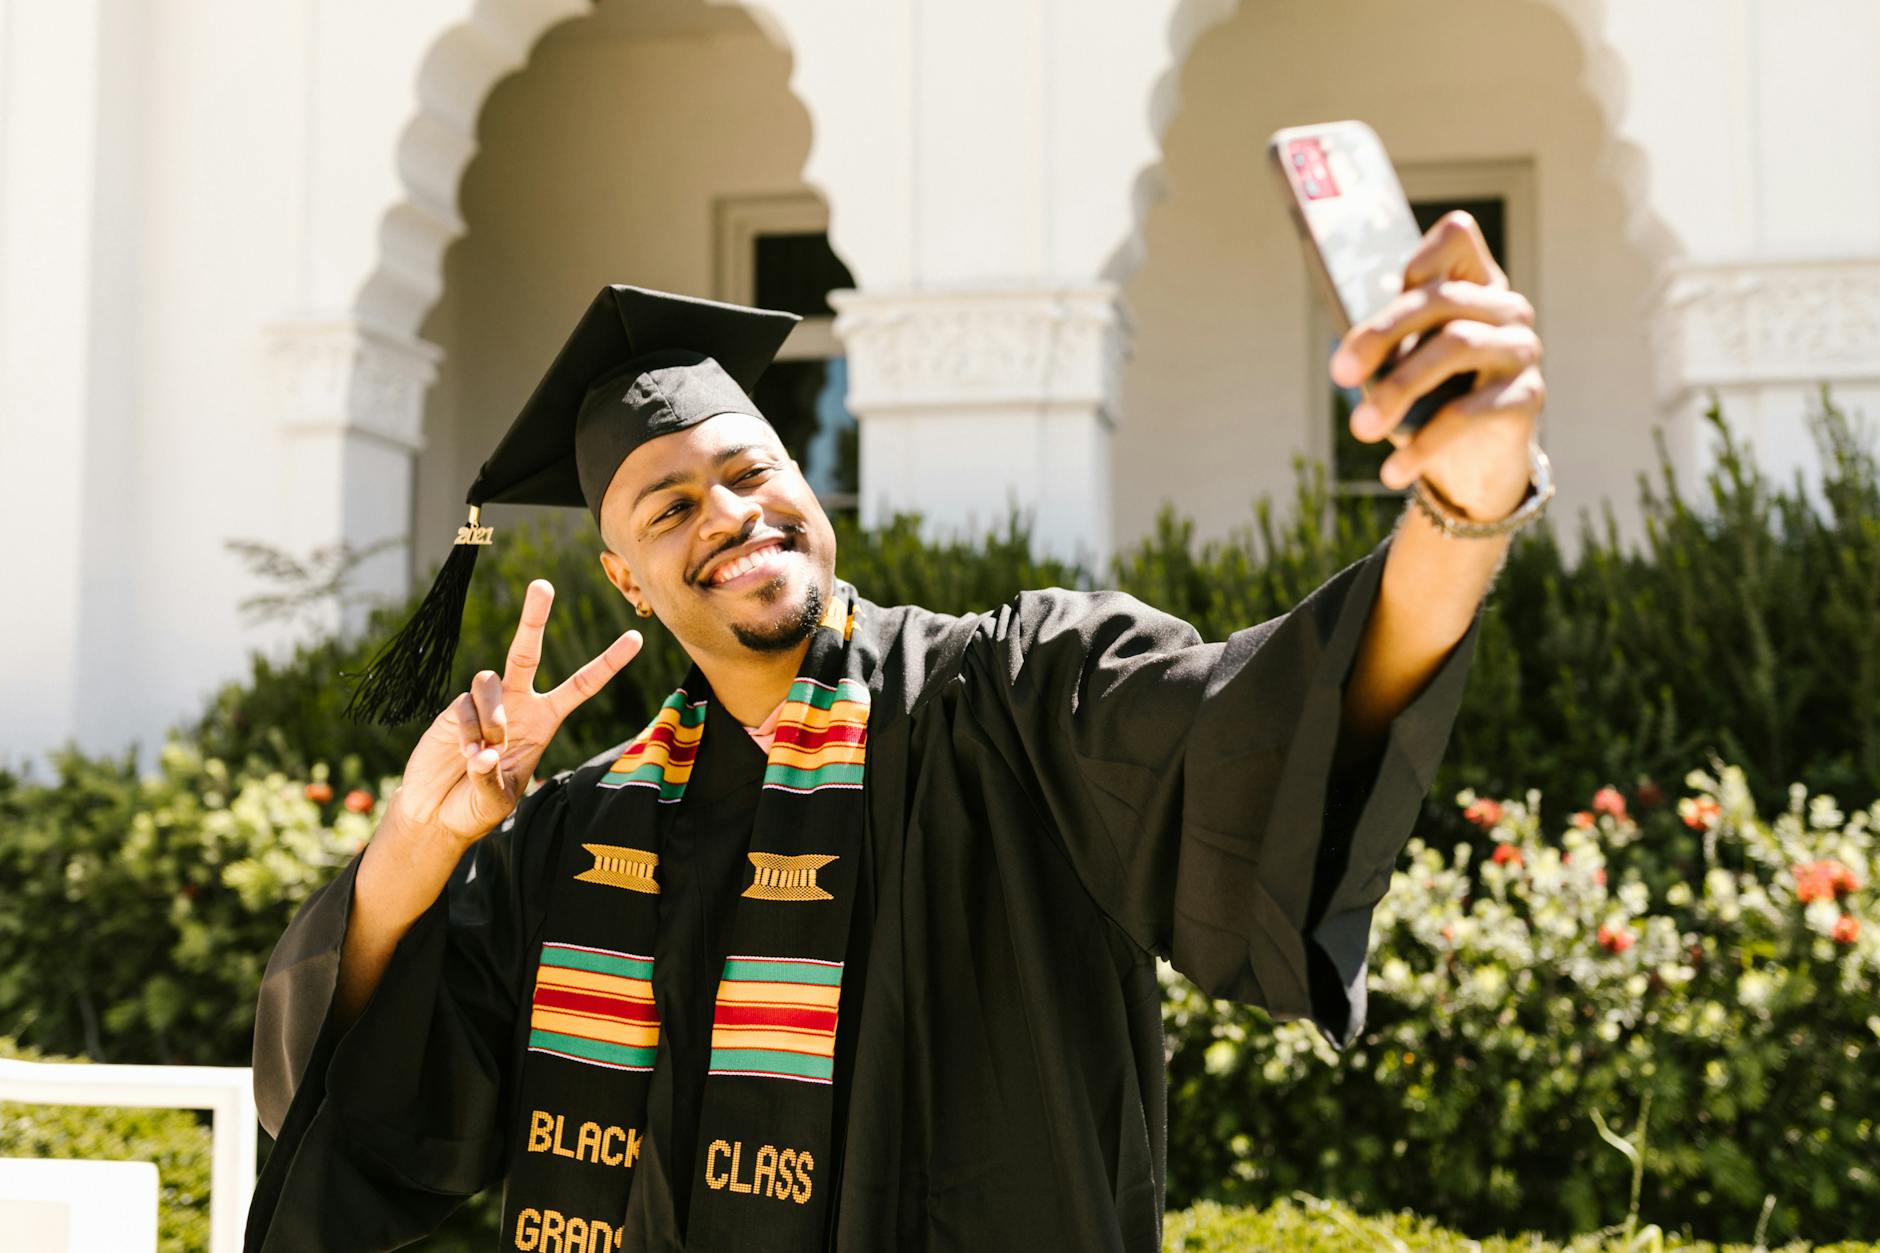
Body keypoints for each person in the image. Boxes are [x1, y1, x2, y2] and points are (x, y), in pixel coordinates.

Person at [245, 211, 1550, 1252]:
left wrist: (1466, 501)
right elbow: (364, 1122)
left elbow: (1257, 730)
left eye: (754, 468)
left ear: (808, 488)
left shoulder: (1018, 699)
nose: (729, 509)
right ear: (626, 576)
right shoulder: (584, 836)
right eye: (669, 500)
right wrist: (416, 848)